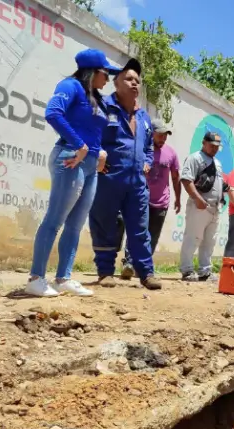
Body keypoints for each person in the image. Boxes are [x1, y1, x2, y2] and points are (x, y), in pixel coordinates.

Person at [26, 49, 119, 297]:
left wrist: (100, 154)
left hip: (90, 166)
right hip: (70, 158)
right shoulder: (70, 86)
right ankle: (36, 278)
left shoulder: (97, 98)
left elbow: (96, 131)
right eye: (105, 73)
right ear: (92, 72)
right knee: (54, 220)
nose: (108, 78)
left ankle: (63, 278)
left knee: (75, 225)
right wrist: (79, 144)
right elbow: (53, 113)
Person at [89, 58, 161, 290]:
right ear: (116, 83)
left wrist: (148, 161)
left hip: (137, 183)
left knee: (140, 228)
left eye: (137, 81)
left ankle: (146, 273)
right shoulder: (103, 107)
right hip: (109, 179)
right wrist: (97, 156)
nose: (134, 84)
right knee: (105, 224)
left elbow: (149, 146)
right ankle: (105, 271)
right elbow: (91, 136)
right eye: (128, 79)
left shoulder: (144, 117)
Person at [120, 119, 181, 279]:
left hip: (161, 202)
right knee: (136, 232)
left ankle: (142, 266)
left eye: (165, 135)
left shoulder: (171, 153)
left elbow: (175, 177)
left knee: (152, 237)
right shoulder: (140, 149)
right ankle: (129, 263)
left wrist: (178, 198)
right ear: (151, 133)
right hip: (141, 198)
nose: (163, 138)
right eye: (160, 135)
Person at [179, 131, 226, 281]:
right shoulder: (195, 158)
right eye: (212, 145)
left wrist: (222, 198)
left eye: (217, 146)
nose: (214, 148)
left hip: (214, 207)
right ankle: (187, 270)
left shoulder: (217, 163)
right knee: (193, 238)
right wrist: (197, 199)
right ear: (204, 143)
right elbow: (186, 180)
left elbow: (219, 184)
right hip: (199, 206)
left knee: (209, 241)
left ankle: (205, 271)